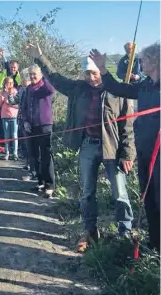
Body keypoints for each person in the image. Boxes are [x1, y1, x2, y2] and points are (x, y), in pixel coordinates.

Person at [25, 43, 137, 250]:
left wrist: (127, 153)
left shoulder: (117, 90)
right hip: (87, 145)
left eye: (94, 73)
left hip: (113, 148)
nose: (91, 78)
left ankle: (125, 231)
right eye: (87, 74)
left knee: (119, 193)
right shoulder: (78, 89)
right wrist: (40, 57)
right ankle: (90, 231)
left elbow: (127, 126)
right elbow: (56, 78)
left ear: (101, 71)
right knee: (87, 192)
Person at [89, 43, 160, 252]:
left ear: (155, 61)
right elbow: (120, 88)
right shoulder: (146, 85)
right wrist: (103, 69)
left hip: (159, 152)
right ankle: (155, 244)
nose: (141, 63)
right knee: (149, 197)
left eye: (144, 60)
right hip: (145, 151)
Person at [11, 64, 56, 198]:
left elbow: (52, 88)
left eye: (34, 74)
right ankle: (40, 182)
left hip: (44, 125)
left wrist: (45, 72)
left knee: (46, 155)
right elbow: (24, 106)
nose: (32, 77)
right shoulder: (28, 89)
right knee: (34, 155)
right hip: (30, 126)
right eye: (30, 74)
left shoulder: (45, 87)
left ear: (41, 75)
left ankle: (50, 185)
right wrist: (25, 121)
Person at [0, 77, 19, 160]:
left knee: (14, 135)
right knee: (6, 135)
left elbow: (18, 105)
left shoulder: (15, 92)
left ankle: (15, 153)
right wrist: (1, 98)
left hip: (14, 117)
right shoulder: (2, 93)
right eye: (8, 83)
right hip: (5, 116)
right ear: (5, 83)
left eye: (11, 83)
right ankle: (7, 152)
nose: (10, 84)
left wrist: (11, 103)